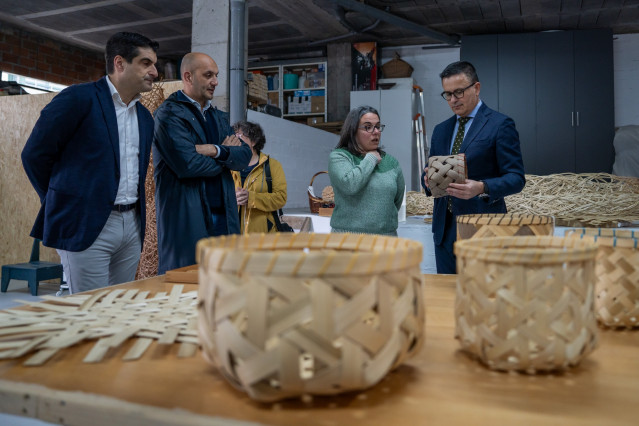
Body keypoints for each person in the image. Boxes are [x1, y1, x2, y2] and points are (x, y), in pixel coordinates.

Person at [21, 32, 159, 294]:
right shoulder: (78, 99)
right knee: (87, 310)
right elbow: (34, 155)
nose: (154, 71)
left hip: (131, 225)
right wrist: (60, 200)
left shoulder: (144, 117)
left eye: (154, 64)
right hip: (86, 222)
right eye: (145, 63)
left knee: (119, 308)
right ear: (120, 63)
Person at [422, 61, 525, 274]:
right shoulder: (441, 130)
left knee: (483, 297)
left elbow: (516, 178)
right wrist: (428, 181)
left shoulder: (500, 124)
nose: (452, 100)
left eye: (458, 92)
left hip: (483, 228)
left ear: (476, 88)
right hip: (445, 230)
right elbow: (430, 172)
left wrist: (481, 187)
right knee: (447, 298)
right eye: (447, 94)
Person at [153, 52, 251, 274]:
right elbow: (187, 165)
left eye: (216, 75)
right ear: (188, 77)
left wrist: (213, 150)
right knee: (186, 286)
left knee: (221, 283)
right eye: (208, 75)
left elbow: (244, 156)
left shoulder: (218, 117)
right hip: (188, 216)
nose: (215, 82)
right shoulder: (168, 114)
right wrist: (226, 156)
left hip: (223, 215)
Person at [328, 105, 405, 236]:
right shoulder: (340, 157)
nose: (376, 132)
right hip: (347, 239)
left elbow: (396, 200)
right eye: (368, 127)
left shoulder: (391, 162)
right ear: (353, 131)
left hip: (386, 239)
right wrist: (370, 159)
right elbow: (350, 185)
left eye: (378, 126)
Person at [231, 121, 287, 234]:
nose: (236, 141)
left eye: (240, 137)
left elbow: (280, 198)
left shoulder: (272, 166)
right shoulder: (228, 166)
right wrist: (231, 198)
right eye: (234, 137)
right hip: (232, 236)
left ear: (254, 141)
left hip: (262, 236)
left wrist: (251, 198)